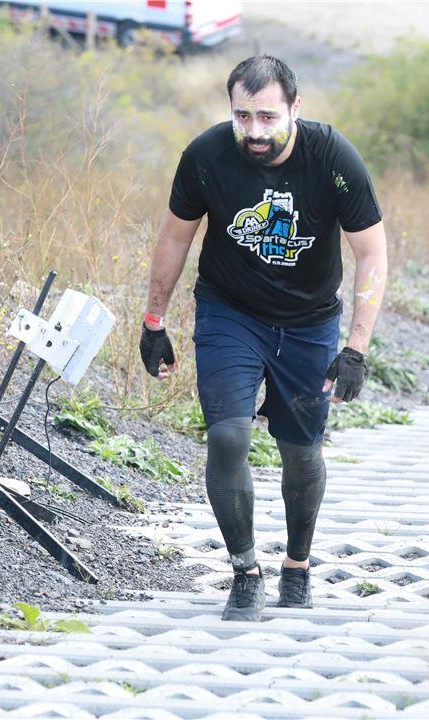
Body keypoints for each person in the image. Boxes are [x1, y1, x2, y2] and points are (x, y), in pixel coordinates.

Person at [139, 56, 387, 622]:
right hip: (231, 313)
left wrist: (356, 347)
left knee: (300, 451)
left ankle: (296, 565)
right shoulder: (206, 156)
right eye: (242, 116)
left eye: (268, 117)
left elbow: (372, 252)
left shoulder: (333, 158)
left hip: (309, 322)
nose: (254, 131)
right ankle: (244, 571)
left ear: (296, 108)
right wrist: (154, 321)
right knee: (227, 436)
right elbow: (175, 238)